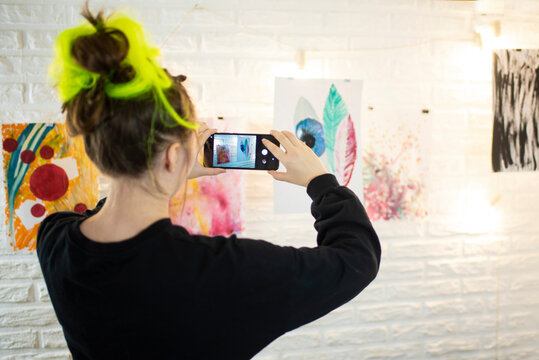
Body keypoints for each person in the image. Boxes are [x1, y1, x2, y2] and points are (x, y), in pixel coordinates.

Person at [37, 4, 381, 360]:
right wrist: (320, 180)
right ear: (172, 157)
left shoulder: (55, 241)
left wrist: (164, 176)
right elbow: (357, 258)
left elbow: (108, 228)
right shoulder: (225, 273)